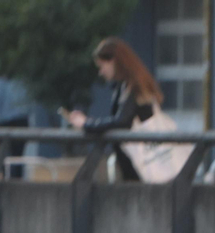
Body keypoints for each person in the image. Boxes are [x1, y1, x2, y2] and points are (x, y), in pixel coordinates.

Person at [66, 38, 166, 182]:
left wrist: (86, 123)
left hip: (141, 165)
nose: (101, 72)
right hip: (140, 163)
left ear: (114, 61)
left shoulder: (132, 87)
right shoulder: (127, 85)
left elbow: (122, 121)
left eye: (102, 66)